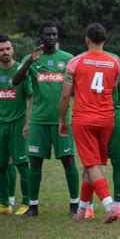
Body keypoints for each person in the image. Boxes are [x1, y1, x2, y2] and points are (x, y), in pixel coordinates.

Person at [12, 21, 79, 217]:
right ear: (40, 37)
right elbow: (15, 81)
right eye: (47, 35)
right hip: (38, 120)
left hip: (62, 120)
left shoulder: (68, 59)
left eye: (54, 34)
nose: (51, 38)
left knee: (68, 160)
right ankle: (33, 206)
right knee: (35, 162)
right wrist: (29, 62)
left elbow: (79, 84)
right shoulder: (31, 59)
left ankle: (74, 205)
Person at [59, 22, 120, 223]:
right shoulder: (114, 63)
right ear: (105, 40)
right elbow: (113, 88)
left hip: (84, 118)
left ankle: (109, 206)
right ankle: (82, 211)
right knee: (90, 165)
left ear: (87, 39)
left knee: (91, 163)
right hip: (106, 119)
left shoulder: (75, 62)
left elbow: (65, 95)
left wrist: (62, 119)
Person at [84, 50, 120, 220]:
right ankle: (88, 207)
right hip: (93, 116)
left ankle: (117, 207)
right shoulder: (83, 59)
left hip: (112, 115)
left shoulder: (114, 58)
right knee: (91, 163)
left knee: (117, 160)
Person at [0, 34, 32, 215]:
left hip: (17, 123)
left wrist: (27, 122)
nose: (5, 52)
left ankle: (26, 202)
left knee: (21, 163)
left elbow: (31, 96)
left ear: (12, 49)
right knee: (1, 165)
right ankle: (4, 203)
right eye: (1, 50)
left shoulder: (21, 70)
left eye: (7, 48)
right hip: (0, 125)